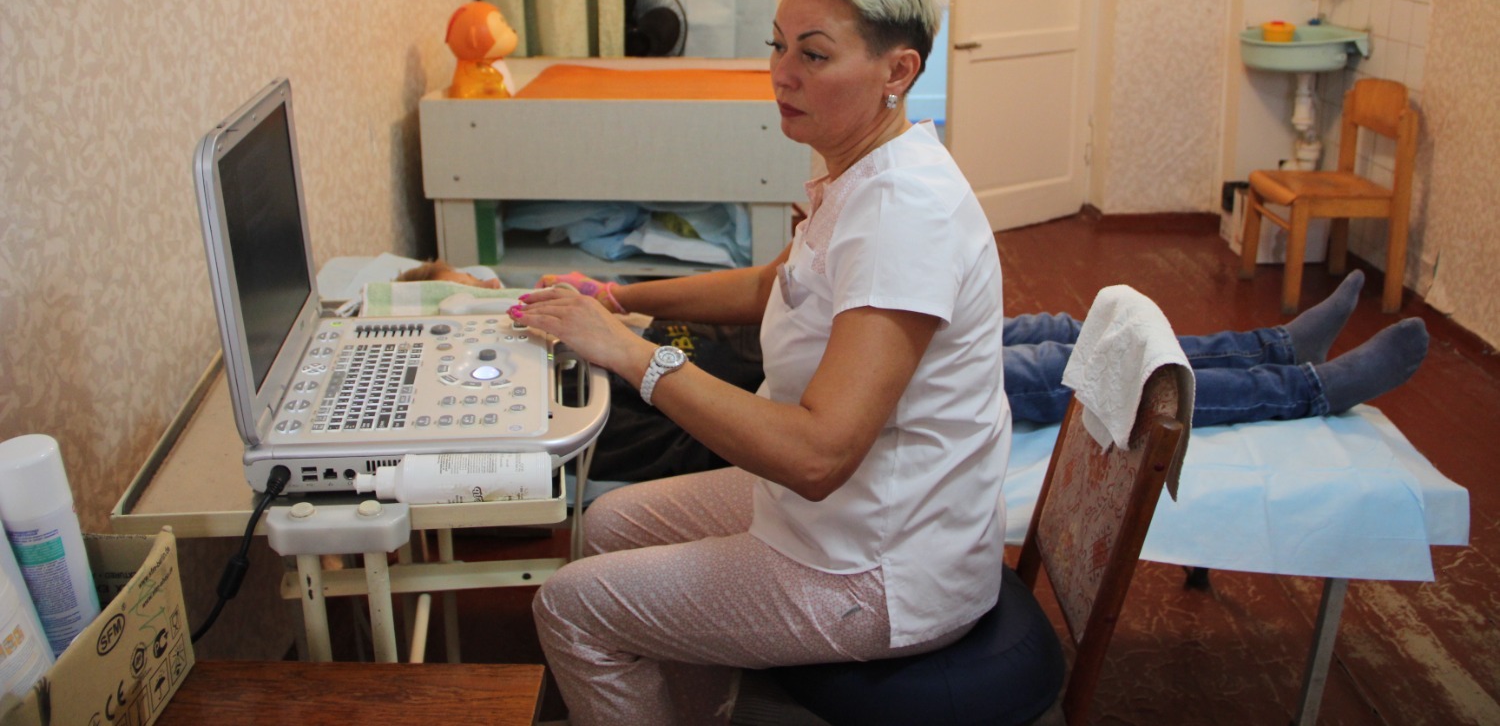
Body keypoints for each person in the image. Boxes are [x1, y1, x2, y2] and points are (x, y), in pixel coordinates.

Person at [511, 0, 1007, 724]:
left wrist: (632, 354)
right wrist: (619, 296)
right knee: (607, 524)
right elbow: (771, 284)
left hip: (882, 563)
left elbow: (816, 457)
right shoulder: (862, 173)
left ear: (898, 71)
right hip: (849, 511)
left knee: (571, 607)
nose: (781, 73)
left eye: (814, 55)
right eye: (778, 46)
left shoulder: (904, 213)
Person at [405, 261, 1431, 481]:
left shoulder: (579, 322)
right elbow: (705, 417)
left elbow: (762, 292)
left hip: (825, 348)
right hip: (811, 403)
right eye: (478, 295)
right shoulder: (575, 399)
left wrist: (621, 296)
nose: (506, 299)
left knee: (1051, 324)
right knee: (1058, 371)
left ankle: (1272, 347)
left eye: (488, 286)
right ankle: (1305, 390)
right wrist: (623, 345)